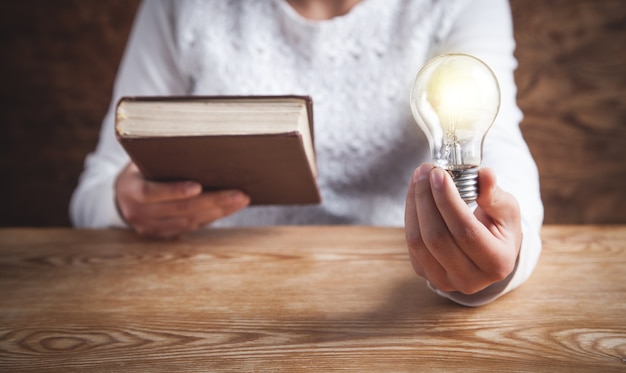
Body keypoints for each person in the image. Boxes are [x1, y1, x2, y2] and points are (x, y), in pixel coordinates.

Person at [71, 0, 543, 306]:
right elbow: (95, 190)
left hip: (389, 296)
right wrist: (122, 202)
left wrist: (507, 254)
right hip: (207, 295)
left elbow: (497, 139)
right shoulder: (180, 7)